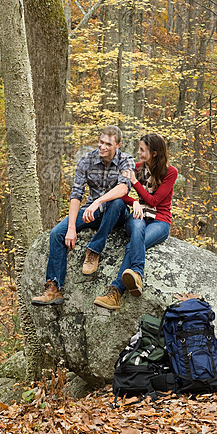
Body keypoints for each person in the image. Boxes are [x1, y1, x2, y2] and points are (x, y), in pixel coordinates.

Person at [32, 126, 135, 306]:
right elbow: (76, 194)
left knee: (117, 202)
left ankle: (94, 250)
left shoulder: (127, 161)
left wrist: (98, 202)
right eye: (101, 142)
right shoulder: (86, 160)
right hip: (91, 212)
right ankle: (54, 287)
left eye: (108, 144)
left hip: (115, 213)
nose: (102, 146)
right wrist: (71, 227)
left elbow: (123, 188)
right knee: (57, 233)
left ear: (118, 145)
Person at [94, 133, 178, 310]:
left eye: (142, 150)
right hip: (139, 217)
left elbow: (154, 201)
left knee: (133, 245)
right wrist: (133, 202)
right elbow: (119, 191)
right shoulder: (136, 168)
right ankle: (137, 274)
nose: (138, 153)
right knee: (137, 226)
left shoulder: (170, 173)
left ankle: (116, 292)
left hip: (160, 221)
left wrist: (135, 182)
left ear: (154, 153)